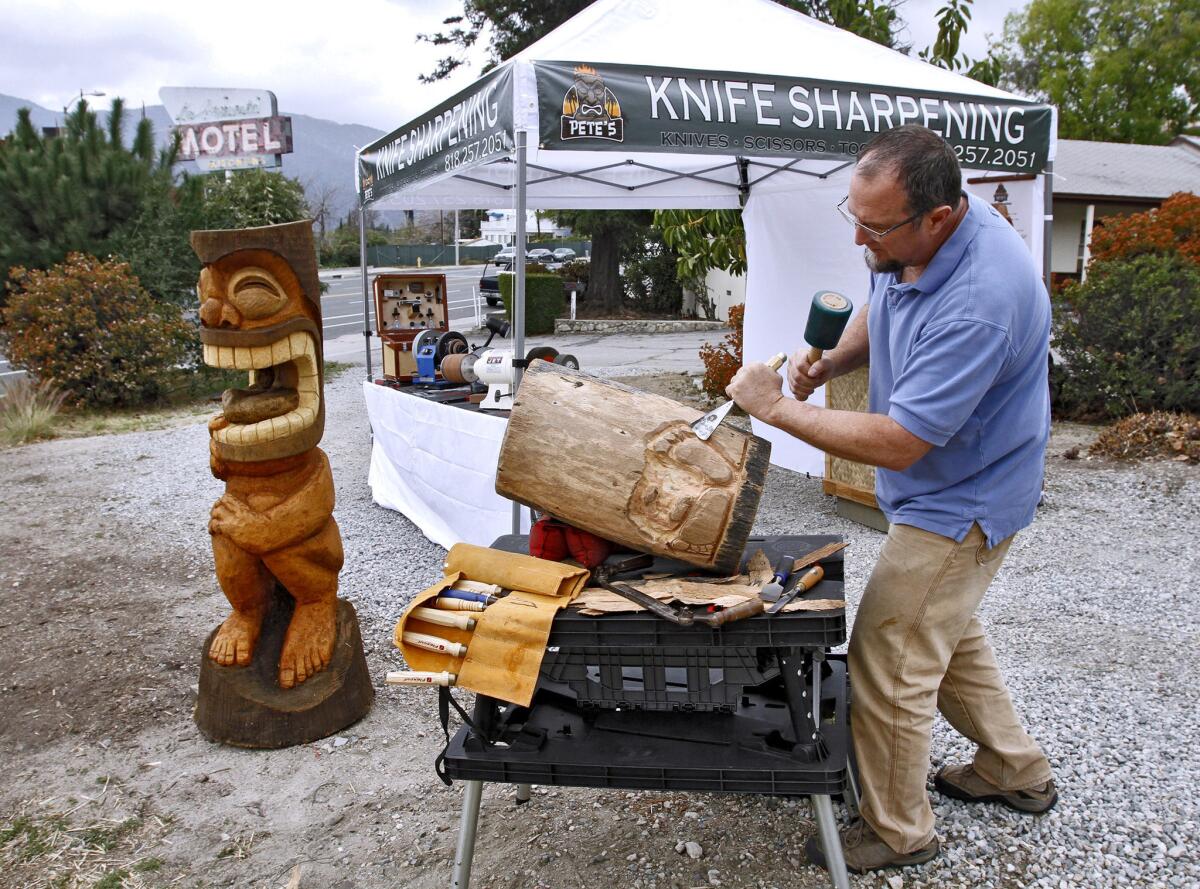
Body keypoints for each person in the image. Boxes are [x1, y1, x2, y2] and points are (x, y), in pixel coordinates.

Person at [726, 124, 1057, 874]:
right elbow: (885, 292)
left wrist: (775, 409)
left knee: (888, 655)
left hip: (964, 498)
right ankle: (1015, 766)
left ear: (938, 217)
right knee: (943, 634)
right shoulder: (909, 245)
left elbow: (902, 440)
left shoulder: (982, 296)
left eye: (874, 227)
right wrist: (836, 358)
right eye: (855, 218)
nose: (860, 242)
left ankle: (901, 830)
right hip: (937, 489)